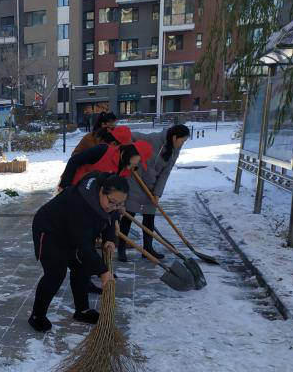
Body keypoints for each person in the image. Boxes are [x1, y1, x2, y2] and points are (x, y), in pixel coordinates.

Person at [29, 173, 129, 331]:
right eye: (111, 202)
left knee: (83, 268)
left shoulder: (107, 195)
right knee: (56, 274)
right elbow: (83, 245)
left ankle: (82, 310)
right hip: (50, 231)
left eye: (119, 204)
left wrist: (109, 238)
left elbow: (111, 215)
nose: (113, 206)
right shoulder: (80, 203)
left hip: (74, 232)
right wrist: (103, 272)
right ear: (101, 191)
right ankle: (37, 315)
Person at [119, 124, 191, 261]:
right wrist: (128, 155)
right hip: (136, 180)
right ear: (175, 137)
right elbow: (131, 136)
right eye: (182, 140)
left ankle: (148, 248)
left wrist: (157, 193)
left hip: (151, 186)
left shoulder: (175, 151)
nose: (183, 143)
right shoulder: (154, 139)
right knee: (129, 214)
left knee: (149, 217)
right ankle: (121, 249)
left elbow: (165, 173)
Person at [58, 138, 152, 191]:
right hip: (74, 190)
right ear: (133, 153)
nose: (137, 165)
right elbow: (74, 160)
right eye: (139, 161)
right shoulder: (103, 151)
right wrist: (64, 186)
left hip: (92, 199)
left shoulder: (125, 170)